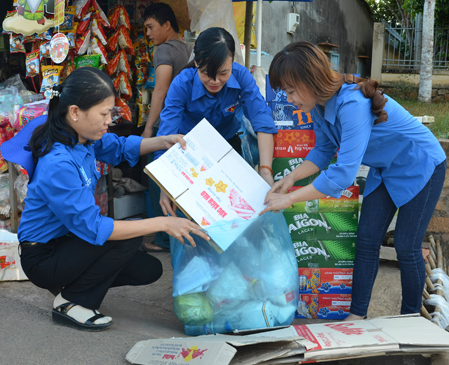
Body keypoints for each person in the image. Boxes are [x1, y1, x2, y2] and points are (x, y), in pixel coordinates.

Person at [1, 67, 209, 332]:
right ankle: (72, 301)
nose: (109, 120)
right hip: (43, 256)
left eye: (111, 112)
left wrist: (162, 142)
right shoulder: (58, 162)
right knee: (129, 235)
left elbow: (119, 146)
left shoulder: (82, 138)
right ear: (75, 112)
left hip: (68, 242)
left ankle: (74, 285)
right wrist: (162, 224)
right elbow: (95, 227)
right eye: (104, 113)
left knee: (148, 270)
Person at [261, 41, 446, 320]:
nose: (289, 99)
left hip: (421, 163)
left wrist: (288, 200)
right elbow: (323, 151)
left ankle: (411, 320)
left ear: (309, 80)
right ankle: (357, 315)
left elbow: (344, 173)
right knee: (367, 240)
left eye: (290, 90)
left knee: (407, 246)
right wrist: (291, 179)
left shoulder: (352, 104)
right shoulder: (319, 105)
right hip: (385, 168)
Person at [155, 27, 277, 218]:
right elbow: (165, 136)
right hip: (189, 150)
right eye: (206, 73)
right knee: (195, 213)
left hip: (227, 146)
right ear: (196, 63)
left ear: (232, 63)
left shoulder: (242, 76)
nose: (214, 81)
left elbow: (263, 121)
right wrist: (167, 184)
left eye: (223, 73)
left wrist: (266, 171)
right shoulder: (182, 84)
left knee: (234, 211)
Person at [141, 2, 193, 252]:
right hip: (185, 125)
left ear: (167, 25)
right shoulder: (184, 47)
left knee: (157, 177)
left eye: (151, 27)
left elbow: (160, 90)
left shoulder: (164, 51)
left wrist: (149, 128)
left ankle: (161, 238)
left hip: (167, 125)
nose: (148, 34)